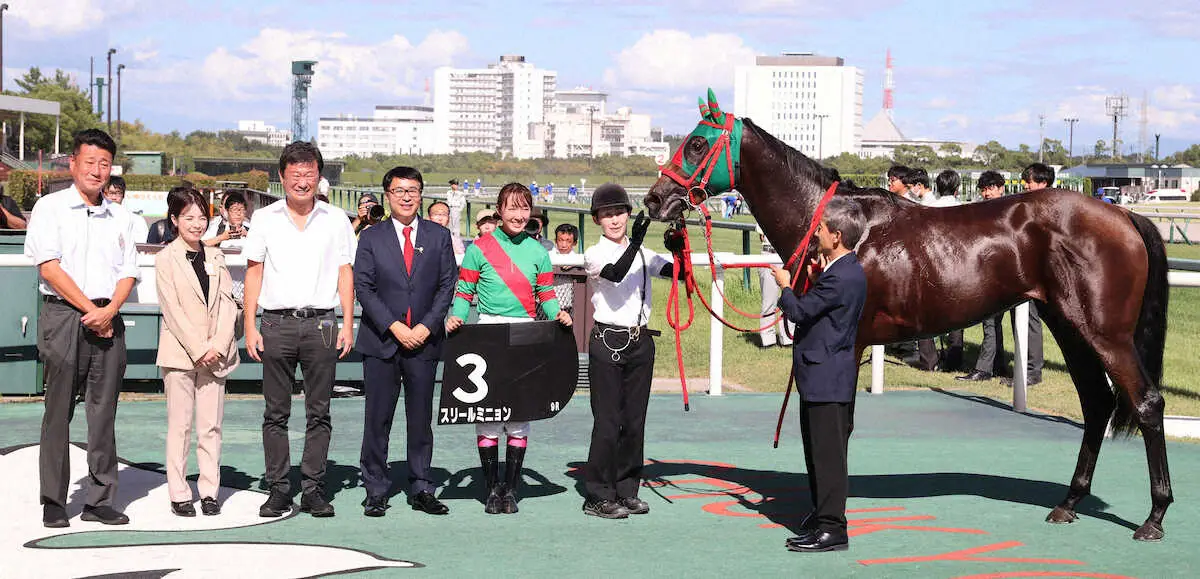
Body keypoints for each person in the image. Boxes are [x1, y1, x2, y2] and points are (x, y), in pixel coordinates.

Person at [24, 128, 139, 528]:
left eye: (104, 163)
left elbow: (128, 272)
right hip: (65, 317)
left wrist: (110, 312)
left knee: (103, 413)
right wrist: (92, 310)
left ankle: (100, 498)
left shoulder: (122, 215)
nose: (96, 170)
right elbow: (49, 267)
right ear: (72, 163)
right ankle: (54, 499)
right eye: (89, 162)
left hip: (109, 318)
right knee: (58, 411)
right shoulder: (49, 208)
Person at [243, 141, 357, 518]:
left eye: (309, 175)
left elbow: (345, 271)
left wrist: (347, 322)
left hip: (323, 322)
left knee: (318, 411)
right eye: (295, 175)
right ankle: (279, 489)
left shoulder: (337, 219)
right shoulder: (264, 219)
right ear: (282, 177)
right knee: (275, 412)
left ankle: (313, 487)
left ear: (319, 178)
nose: (302, 182)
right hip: (275, 322)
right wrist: (250, 325)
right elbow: (254, 271)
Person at [446, 182, 572, 515]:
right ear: (499, 210)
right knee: (487, 417)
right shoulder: (479, 247)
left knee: (518, 418)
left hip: (526, 335)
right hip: (487, 334)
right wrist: (456, 319)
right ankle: (491, 489)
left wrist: (557, 314)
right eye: (512, 208)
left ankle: (511, 489)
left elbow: (545, 296)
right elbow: (464, 292)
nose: (518, 215)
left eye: (524, 208)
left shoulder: (538, 251)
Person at [355, 166, 457, 518]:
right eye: (399, 190)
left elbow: (447, 286)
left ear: (421, 194)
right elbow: (364, 288)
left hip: (425, 343)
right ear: (387, 195)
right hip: (382, 340)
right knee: (377, 419)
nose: (406, 196)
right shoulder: (371, 237)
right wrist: (395, 326)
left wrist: (427, 327)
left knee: (420, 418)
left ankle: (421, 486)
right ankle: (375, 488)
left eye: (413, 190)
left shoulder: (438, 236)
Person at [769, 196, 868, 553]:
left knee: (827, 458)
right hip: (824, 377)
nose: (818, 234)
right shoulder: (844, 270)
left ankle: (832, 528)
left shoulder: (840, 277)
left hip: (827, 379)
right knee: (819, 453)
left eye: (823, 230)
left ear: (837, 236)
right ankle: (823, 516)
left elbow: (799, 311)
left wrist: (784, 285)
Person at [581, 184, 676, 519]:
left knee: (634, 422)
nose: (615, 219)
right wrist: (635, 242)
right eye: (607, 214)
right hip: (608, 341)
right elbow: (616, 275)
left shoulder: (644, 254)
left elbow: (675, 273)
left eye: (619, 212)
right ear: (597, 219)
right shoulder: (594, 253)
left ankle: (626, 489)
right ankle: (596, 494)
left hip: (640, 342)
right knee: (608, 421)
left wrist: (679, 247)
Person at [154, 187, 240, 517]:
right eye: (188, 217)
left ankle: (208, 491)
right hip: (180, 354)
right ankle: (179, 492)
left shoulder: (216, 257)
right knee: (180, 425)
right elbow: (171, 309)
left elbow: (228, 303)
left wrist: (217, 345)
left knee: (211, 426)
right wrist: (199, 347)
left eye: (202, 217)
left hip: (215, 355)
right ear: (174, 219)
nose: (196, 223)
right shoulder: (165, 258)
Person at [958, 171, 1011, 382]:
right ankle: (997, 364)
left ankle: (984, 368)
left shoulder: (1007, 212)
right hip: (991, 272)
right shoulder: (982, 211)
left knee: (990, 322)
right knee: (992, 323)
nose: (987, 193)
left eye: (991, 188)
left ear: (1001, 188)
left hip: (1000, 274)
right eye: (984, 189)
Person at [756, 224, 793, 348]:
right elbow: (762, 237)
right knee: (768, 300)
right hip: (769, 254)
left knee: (788, 298)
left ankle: (788, 337)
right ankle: (767, 339)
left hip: (788, 255)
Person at [100, 176, 147, 242]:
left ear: (123, 195)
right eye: (110, 193)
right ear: (102, 194)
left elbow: (141, 246)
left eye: (118, 193)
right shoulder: (96, 218)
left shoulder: (137, 220)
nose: (114, 197)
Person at [552, 223, 580, 314]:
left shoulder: (578, 259)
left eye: (568, 241)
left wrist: (574, 262)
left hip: (568, 307)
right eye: (560, 240)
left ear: (575, 243)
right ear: (555, 240)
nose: (564, 245)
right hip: (548, 305)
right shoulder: (549, 255)